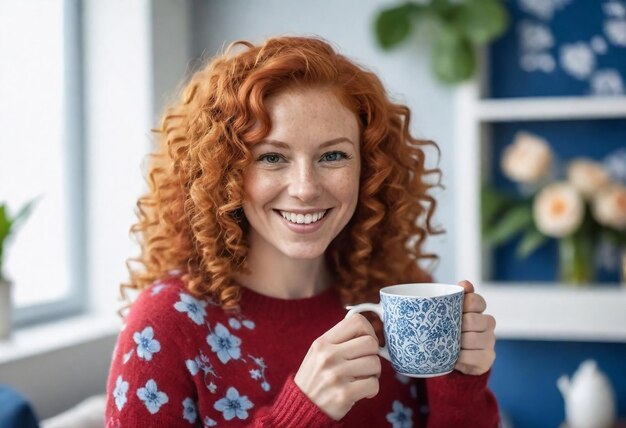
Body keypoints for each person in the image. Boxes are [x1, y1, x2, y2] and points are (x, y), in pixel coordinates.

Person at [105, 36, 498, 427]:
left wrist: (461, 381)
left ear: (371, 170)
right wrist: (304, 412)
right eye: (272, 157)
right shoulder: (164, 326)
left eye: (333, 155)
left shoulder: (399, 302)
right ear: (224, 172)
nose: (306, 188)